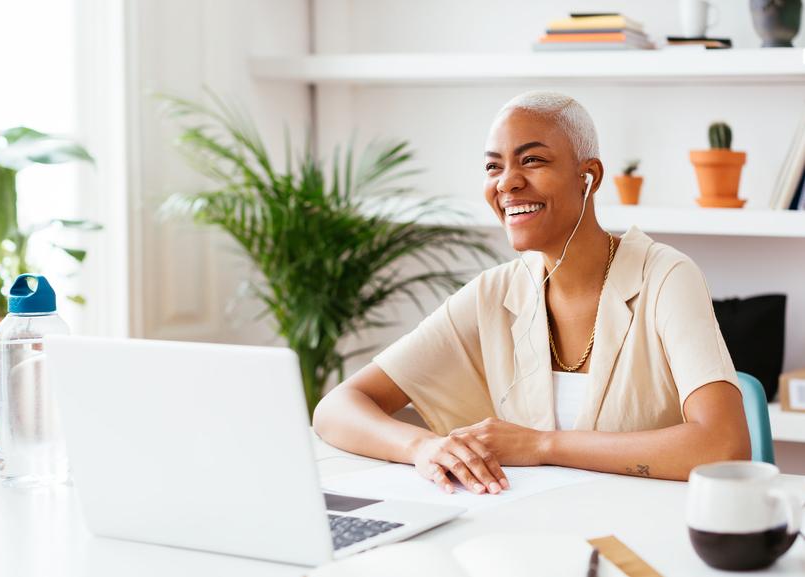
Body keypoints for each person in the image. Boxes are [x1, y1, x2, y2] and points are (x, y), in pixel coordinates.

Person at [312, 91, 750, 493]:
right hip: (533, 528)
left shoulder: (667, 277)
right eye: (493, 167)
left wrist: (541, 445)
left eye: (532, 160)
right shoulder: (493, 293)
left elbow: (724, 446)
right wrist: (423, 447)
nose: (507, 183)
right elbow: (337, 408)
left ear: (588, 177)